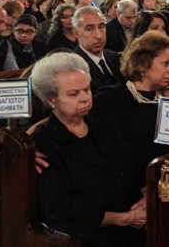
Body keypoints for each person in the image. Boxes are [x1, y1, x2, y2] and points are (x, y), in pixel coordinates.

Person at [30, 53, 146, 246]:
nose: (85, 98)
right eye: (73, 94)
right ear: (51, 100)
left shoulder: (102, 121)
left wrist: (146, 196)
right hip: (88, 235)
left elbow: (129, 166)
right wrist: (122, 218)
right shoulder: (44, 141)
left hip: (132, 222)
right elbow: (59, 207)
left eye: (86, 89)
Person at [92, 31, 169, 189]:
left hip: (167, 185)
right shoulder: (109, 99)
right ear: (142, 64)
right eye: (165, 63)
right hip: (125, 189)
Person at [72, 6, 125, 95]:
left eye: (101, 27)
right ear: (76, 33)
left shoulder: (115, 57)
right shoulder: (73, 67)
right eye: (89, 29)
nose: (98, 35)